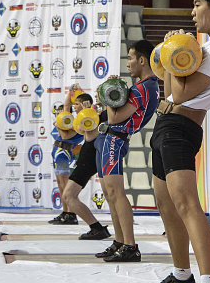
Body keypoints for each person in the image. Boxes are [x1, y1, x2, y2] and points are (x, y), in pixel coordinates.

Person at [151, 0, 210, 283]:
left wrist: (174, 52)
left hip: (180, 128)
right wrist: (173, 54)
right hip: (165, 125)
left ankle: (209, 278)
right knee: (166, 205)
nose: (192, 12)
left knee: (187, 205)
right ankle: (182, 273)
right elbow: (172, 90)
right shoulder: (204, 48)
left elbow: (184, 95)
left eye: (198, 5)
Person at [95, 39, 159, 262]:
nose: (128, 63)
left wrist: (109, 94)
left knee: (116, 193)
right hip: (112, 139)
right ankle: (120, 242)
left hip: (115, 139)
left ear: (142, 60)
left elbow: (113, 117)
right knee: (109, 193)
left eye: (130, 58)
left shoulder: (142, 88)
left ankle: (130, 246)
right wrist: (112, 94)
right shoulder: (146, 86)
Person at [61, 86, 112, 240]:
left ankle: (96, 228)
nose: (74, 107)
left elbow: (90, 138)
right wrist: (71, 94)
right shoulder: (94, 115)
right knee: (69, 196)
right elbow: (66, 130)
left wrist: (88, 117)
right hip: (86, 159)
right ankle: (96, 227)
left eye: (98, 95)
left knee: (69, 196)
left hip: (89, 160)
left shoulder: (99, 115)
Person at [48, 96, 84, 225]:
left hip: (64, 153)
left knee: (65, 184)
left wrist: (58, 125)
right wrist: (70, 92)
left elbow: (64, 136)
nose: (58, 115)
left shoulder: (75, 124)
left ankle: (71, 213)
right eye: (57, 113)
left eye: (61, 113)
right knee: (60, 184)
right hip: (57, 153)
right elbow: (67, 104)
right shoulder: (65, 122)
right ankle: (65, 212)